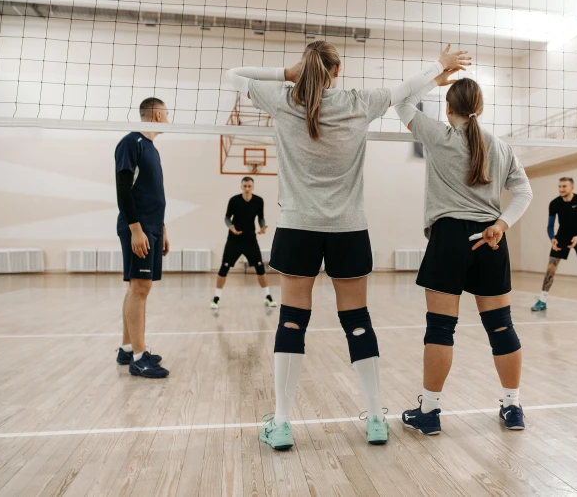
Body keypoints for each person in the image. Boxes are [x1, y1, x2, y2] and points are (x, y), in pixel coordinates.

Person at [227, 42, 470, 450]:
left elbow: (234, 75)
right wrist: (437, 69)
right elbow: (403, 90)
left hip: (298, 227)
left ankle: (282, 423)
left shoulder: (285, 98)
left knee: (291, 320)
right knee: (357, 321)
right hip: (348, 230)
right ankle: (376, 418)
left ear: (304, 69)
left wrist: (288, 74)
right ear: (337, 70)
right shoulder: (359, 102)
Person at [394, 73, 533, 434]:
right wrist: (501, 225)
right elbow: (524, 193)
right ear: (480, 108)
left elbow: (400, 101)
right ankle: (513, 406)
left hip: (450, 238)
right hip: (490, 239)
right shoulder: (501, 147)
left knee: (440, 328)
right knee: (502, 328)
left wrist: (433, 78)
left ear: (448, 106)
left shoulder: (440, 136)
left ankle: (429, 412)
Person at [114, 97, 170, 379]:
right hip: (139, 227)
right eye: (167, 113)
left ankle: (127, 348)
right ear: (158, 115)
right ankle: (139, 357)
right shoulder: (131, 142)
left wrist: (163, 228)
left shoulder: (152, 149)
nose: (169, 118)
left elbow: (151, 192)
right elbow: (123, 188)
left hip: (152, 227)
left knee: (136, 287)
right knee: (140, 288)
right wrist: (136, 228)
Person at [531, 177, 577, 315]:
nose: (561, 189)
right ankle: (542, 300)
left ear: (572, 187)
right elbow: (550, 226)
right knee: (551, 268)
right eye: (559, 186)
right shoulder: (554, 203)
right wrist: (552, 238)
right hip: (562, 237)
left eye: (564, 186)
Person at [211, 176, 277, 309]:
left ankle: (268, 297)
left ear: (253, 187)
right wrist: (231, 227)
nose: (247, 188)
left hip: (250, 239)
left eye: (249, 186)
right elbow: (227, 218)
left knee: (260, 267)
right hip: (234, 240)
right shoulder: (234, 200)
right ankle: (216, 298)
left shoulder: (259, 201)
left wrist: (262, 227)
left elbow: (261, 218)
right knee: (224, 268)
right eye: (245, 186)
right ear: (241, 187)